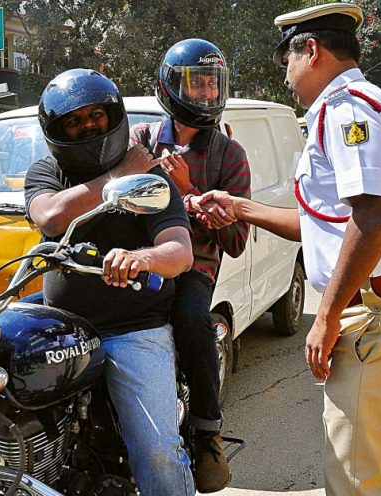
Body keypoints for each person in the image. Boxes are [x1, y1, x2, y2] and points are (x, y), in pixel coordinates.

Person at [190, 4, 381, 495]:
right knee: (366, 474)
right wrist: (241, 208)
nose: (285, 75)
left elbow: (372, 217)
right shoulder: (344, 106)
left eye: (288, 60)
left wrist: (324, 317)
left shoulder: (347, 108)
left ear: (312, 50)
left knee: (354, 483)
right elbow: (326, 225)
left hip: (376, 310)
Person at [24, 68, 195, 496]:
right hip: (61, 330)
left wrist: (142, 258)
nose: (87, 125)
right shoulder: (46, 172)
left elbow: (179, 251)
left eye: (95, 114)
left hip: (132, 330)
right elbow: (48, 216)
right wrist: (115, 179)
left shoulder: (150, 178)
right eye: (74, 120)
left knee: (156, 447)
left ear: (112, 115)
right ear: (57, 131)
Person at [129, 38, 251, 493]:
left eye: (210, 84)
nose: (204, 94)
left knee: (193, 320)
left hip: (194, 267)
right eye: (195, 83)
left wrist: (190, 192)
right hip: (144, 260)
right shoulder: (139, 141)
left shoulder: (228, 155)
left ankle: (207, 433)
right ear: (170, 86)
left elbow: (236, 241)